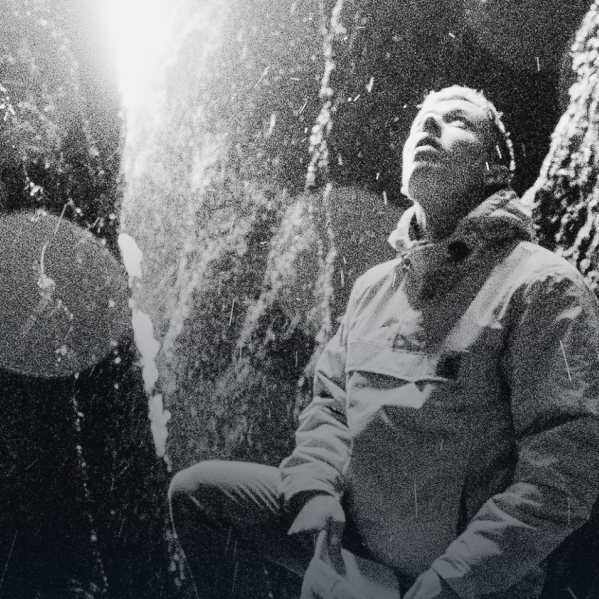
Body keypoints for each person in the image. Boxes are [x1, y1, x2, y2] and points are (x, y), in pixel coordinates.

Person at [168, 85, 599, 599]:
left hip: (462, 578)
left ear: (496, 168)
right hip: (353, 542)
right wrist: (315, 495)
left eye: (457, 120)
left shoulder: (541, 286)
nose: (430, 128)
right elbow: (329, 407)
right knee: (198, 493)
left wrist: (449, 584)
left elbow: (564, 470)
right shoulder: (375, 287)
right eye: (422, 122)